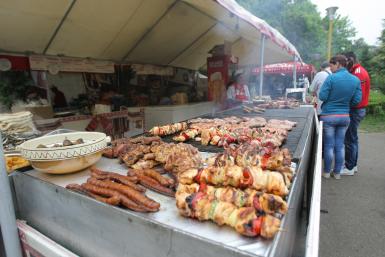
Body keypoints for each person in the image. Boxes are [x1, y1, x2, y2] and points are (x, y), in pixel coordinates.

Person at [319, 55, 362, 180]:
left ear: (338, 64)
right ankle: (337, 173)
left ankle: (327, 172)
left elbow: (322, 96)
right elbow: (357, 100)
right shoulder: (355, 80)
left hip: (328, 116)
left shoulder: (331, 78)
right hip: (344, 116)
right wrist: (345, 104)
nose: (330, 68)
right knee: (340, 145)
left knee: (328, 146)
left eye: (331, 65)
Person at [341, 51, 371, 176]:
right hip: (357, 109)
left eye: (345, 61)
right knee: (353, 138)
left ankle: (349, 167)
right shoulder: (355, 71)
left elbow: (357, 96)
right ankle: (353, 164)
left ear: (351, 59)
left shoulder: (358, 73)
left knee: (350, 139)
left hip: (355, 109)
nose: (344, 64)